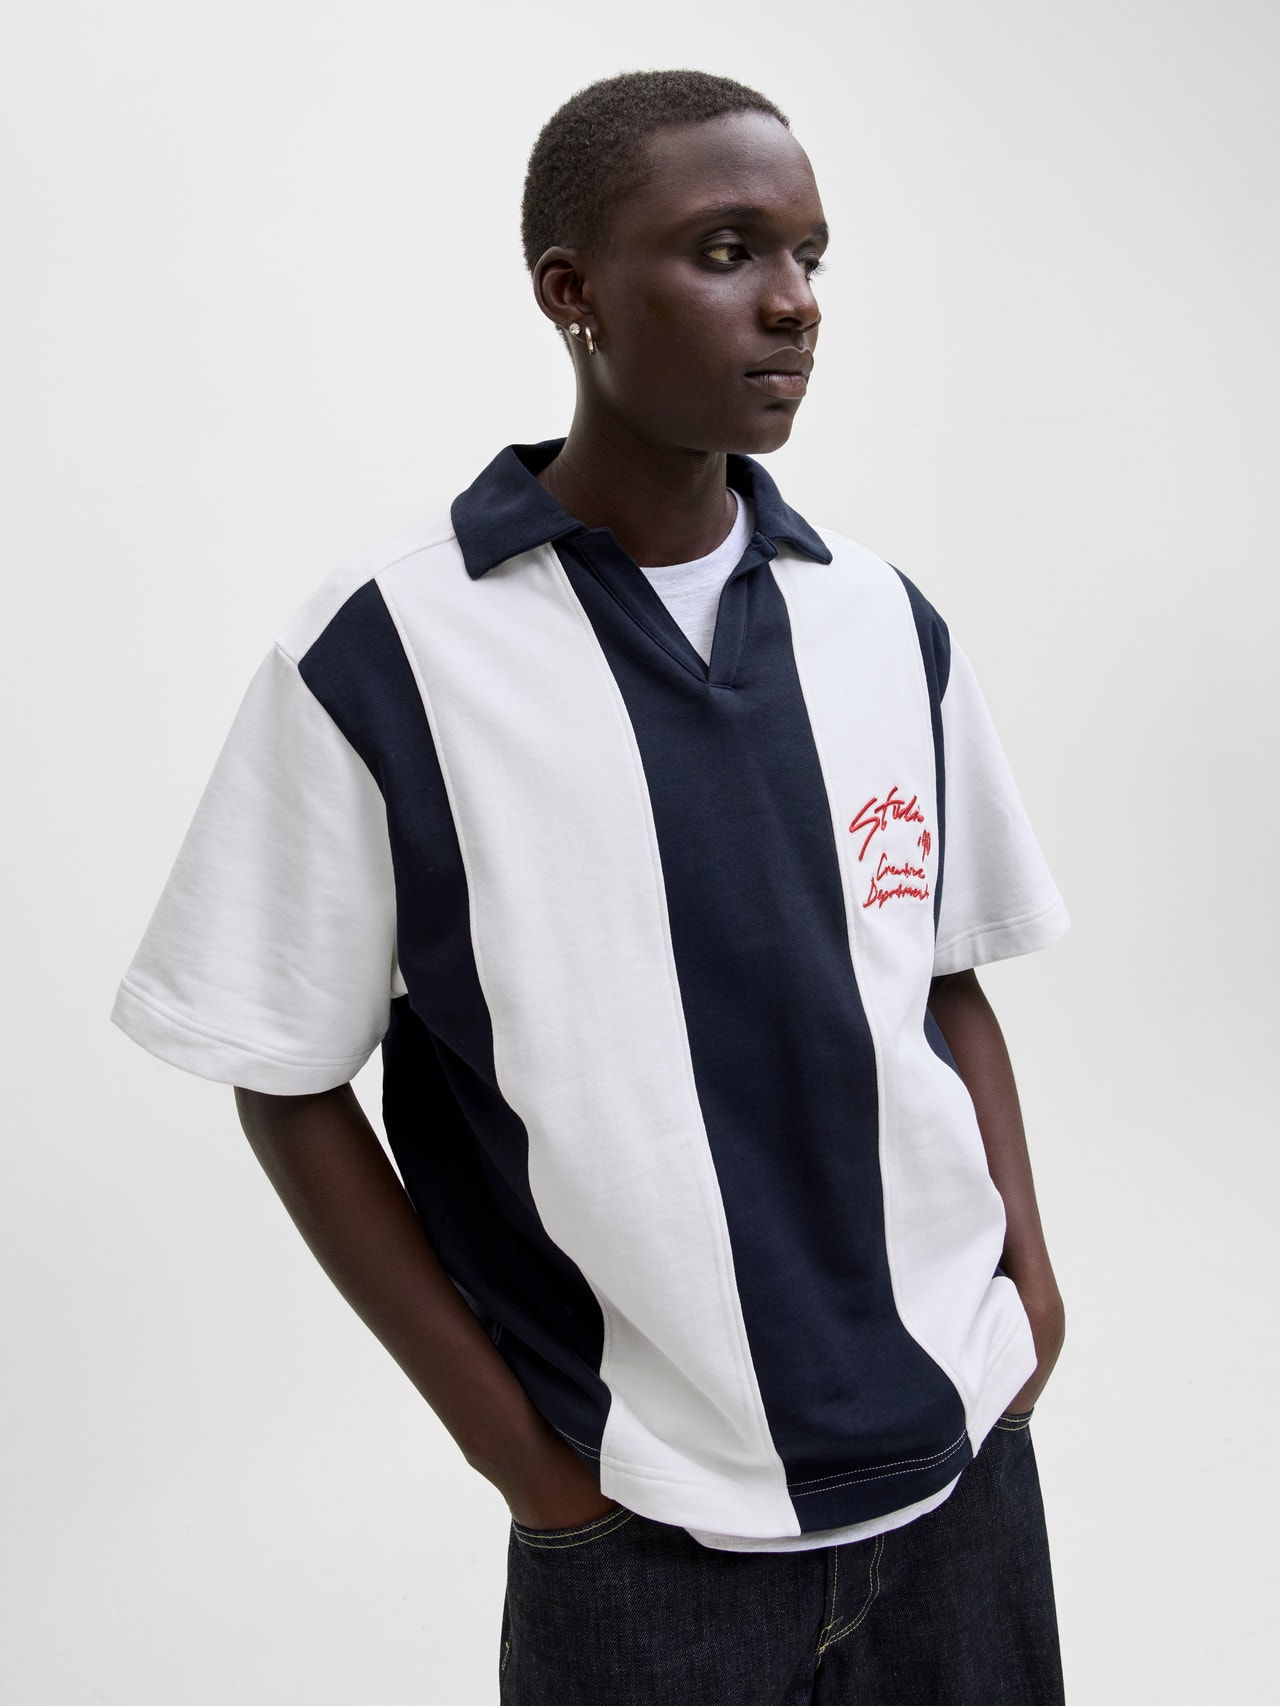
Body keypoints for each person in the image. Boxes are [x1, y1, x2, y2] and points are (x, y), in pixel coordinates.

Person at [113, 69, 1070, 1704]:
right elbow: (284, 1076)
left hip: (959, 1470)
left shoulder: (878, 619)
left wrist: (1027, 1295)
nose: (792, 301)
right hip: (644, 1539)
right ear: (573, 292)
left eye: (810, 255)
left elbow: (942, 976)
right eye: (727, 251)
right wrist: (527, 1464)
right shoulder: (391, 650)